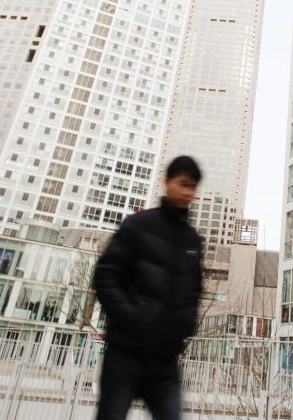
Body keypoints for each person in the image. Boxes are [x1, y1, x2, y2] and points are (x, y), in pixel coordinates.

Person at [93, 155, 204, 420]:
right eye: (183, 184)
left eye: (193, 187)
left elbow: (194, 292)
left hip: (164, 362)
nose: (188, 193)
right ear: (167, 182)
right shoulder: (138, 225)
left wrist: (185, 327)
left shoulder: (192, 241)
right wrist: (131, 318)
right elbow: (105, 276)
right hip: (125, 355)